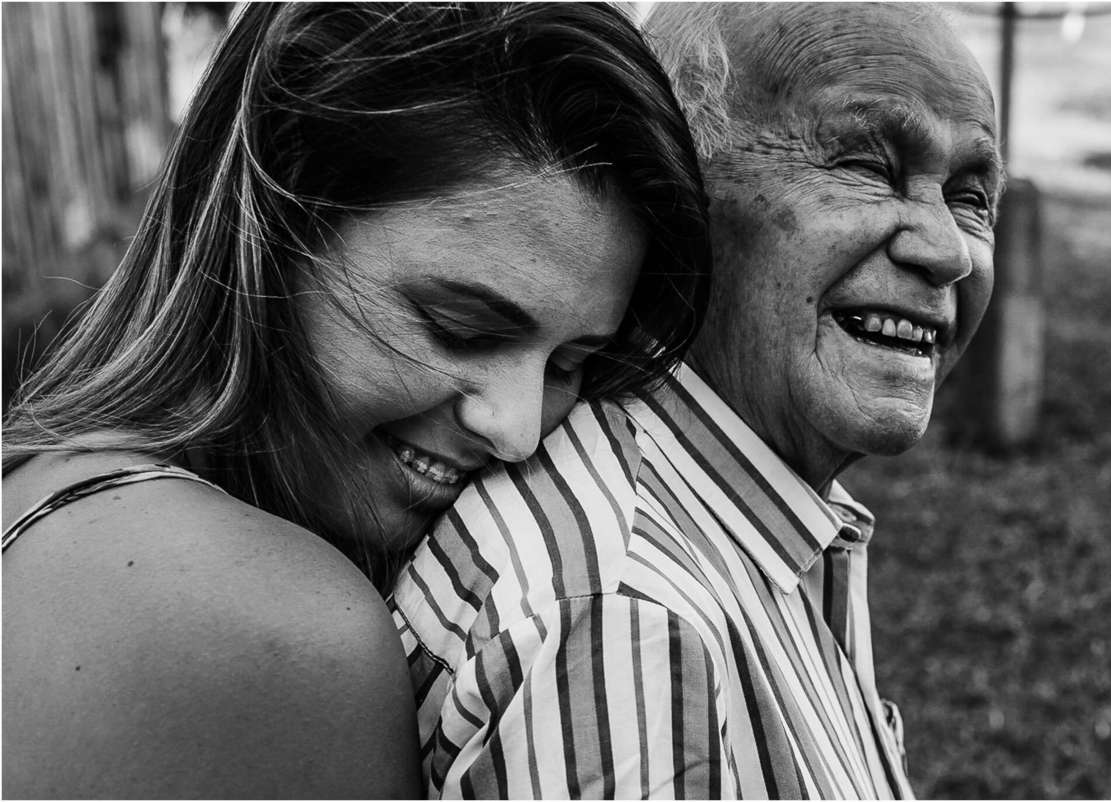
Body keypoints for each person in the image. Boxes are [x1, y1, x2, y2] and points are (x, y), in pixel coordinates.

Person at [2, 3, 709, 797]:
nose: (516, 430)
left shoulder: (49, 482)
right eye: (460, 328)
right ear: (276, 225)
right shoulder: (276, 629)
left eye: (570, 364)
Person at [391, 2, 1004, 798]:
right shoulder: (626, 622)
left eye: (970, 197)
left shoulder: (761, 512)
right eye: (865, 165)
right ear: (677, 195)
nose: (949, 251)